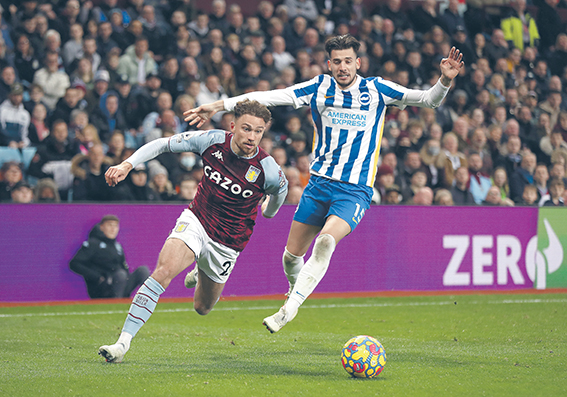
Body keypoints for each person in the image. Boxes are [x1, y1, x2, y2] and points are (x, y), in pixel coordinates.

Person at [184, 34, 463, 333]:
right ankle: (296, 288)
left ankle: (289, 309)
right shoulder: (319, 87)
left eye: (348, 61)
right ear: (329, 64)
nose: (343, 67)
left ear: (358, 62)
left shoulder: (377, 89)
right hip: (318, 186)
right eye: (337, 62)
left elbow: (427, 100)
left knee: (326, 241)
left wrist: (444, 81)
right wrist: (219, 105)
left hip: (354, 190)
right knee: (291, 257)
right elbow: (270, 97)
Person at [98, 100, 288, 363]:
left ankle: (201, 268)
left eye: (258, 131)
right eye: (246, 129)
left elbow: (280, 193)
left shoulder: (267, 169)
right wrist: (127, 165)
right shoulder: (210, 141)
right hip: (197, 220)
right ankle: (122, 343)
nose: (252, 137)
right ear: (233, 126)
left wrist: (268, 211)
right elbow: (163, 144)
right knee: (163, 272)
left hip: (228, 242)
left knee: (202, 308)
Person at [70, 215, 150, 299]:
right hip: (102, 288)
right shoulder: (93, 244)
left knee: (142, 270)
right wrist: (97, 277)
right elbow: (75, 263)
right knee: (120, 274)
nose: (113, 229)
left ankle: (149, 302)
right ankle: (116, 304)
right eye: (109, 225)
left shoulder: (117, 246)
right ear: (101, 227)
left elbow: (123, 266)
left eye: (115, 226)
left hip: (120, 283)